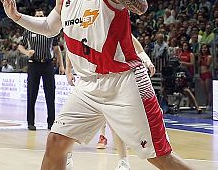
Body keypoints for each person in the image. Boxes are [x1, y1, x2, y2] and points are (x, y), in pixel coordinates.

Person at [0, 0, 192, 170]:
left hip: (123, 81)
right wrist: (17, 16)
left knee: (160, 157)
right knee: (55, 143)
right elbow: (49, 26)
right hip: (87, 85)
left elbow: (141, 6)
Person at [65, 34, 155, 170]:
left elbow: (135, 43)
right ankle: (67, 158)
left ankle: (123, 163)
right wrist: (68, 69)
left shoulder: (112, 23)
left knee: (115, 125)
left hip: (113, 79)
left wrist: (147, 61)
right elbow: (70, 47)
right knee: (69, 125)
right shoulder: (80, 25)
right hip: (88, 81)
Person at [17, 8, 64, 130]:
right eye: (37, 16)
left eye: (41, 16)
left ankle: (51, 122)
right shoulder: (28, 29)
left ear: (45, 17)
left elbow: (56, 48)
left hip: (48, 64)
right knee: (32, 94)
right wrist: (27, 52)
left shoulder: (51, 29)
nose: (39, 17)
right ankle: (31, 122)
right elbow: (20, 46)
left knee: (50, 94)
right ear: (34, 17)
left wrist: (62, 65)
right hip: (34, 64)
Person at [198, 44, 213, 108]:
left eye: (205, 48)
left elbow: (207, 65)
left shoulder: (209, 56)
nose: (204, 49)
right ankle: (207, 102)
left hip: (207, 73)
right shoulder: (201, 57)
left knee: (208, 90)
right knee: (204, 91)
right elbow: (198, 65)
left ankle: (209, 104)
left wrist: (202, 59)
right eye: (203, 48)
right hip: (202, 74)